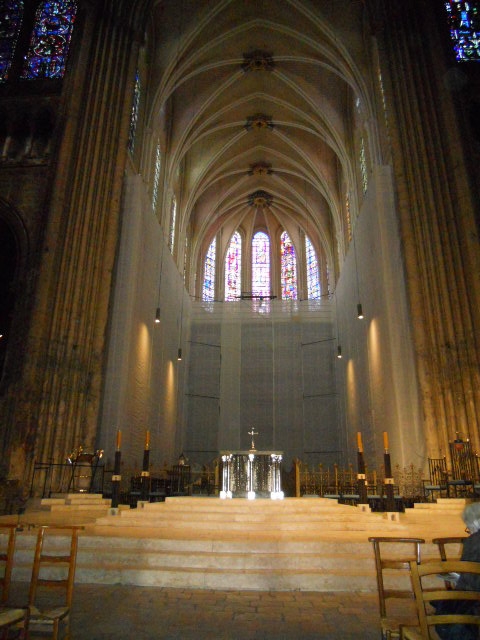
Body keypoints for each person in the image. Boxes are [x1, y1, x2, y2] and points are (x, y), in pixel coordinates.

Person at [434, 502, 480, 640]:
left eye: (469, 527)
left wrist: (458, 578)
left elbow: (470, 581)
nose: (469, 531)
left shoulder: (474, 542)